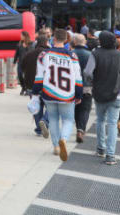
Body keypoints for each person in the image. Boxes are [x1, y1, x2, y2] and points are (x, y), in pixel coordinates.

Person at [33, 29, 82, 161]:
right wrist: (78, 95)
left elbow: (39, 77)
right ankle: (64, 140)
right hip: (67, 94)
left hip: (49, 92)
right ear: (66, 40)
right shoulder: (72, 56)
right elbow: (78, 78)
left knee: (53, 119)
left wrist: (35, 92)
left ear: (53, 39)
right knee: (68, 120)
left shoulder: (44, 55)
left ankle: (56, 146)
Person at [83, 31, 120, 165]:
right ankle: (110, 155)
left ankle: (100, 148)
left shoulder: (95, 53)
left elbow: (87, 72)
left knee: (100, 120)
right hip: (116, 94)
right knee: (112, 124)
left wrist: (92, 81)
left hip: (99, 92)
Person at [21, 34, 50, 137]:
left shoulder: (29, 54)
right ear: (47, 43)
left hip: (31, 85)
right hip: (46, 85)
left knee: (36, 107)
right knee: (50, 107)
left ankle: (39, 128)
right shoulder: (49, 54)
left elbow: (22, 68)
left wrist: (24, 84)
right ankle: (45, 121)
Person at [71, 34, 93, 143]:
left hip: (73, 86)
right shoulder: (90, 55)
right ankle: (81, 129)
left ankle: (78, 127)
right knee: (85, 108)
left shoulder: (71, 54)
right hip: (87, 86)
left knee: (76, 107)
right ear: (84, 42)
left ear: (74, 42)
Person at [14, 31, 34, 95]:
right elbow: (16, 54)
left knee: (27, 76)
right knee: (20, 75)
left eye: (21, 35)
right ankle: (23, 87)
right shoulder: (19, 44)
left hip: (28, 63)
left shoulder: (31, 44)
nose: (20, 37)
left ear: (25, 36)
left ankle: (27, 89)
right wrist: (14, 62)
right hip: (20, 63)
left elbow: (32, 52)